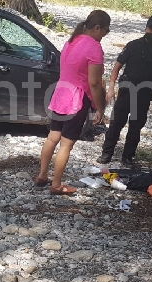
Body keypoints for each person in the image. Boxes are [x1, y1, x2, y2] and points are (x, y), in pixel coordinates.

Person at [35, 10, 110, 195]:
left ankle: (42, 176)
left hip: (60, 93)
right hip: (77, 98)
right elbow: (93, 82)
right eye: (105, 32)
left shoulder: (71, 41)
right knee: (66, 144)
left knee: (52, 137)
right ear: (97, 28)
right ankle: (57, 184)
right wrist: (99, 108)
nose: (104, 36)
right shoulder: (93, 47)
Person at [97, 16, 152, 167]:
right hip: (126, 90)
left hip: (145, 92)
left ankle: (128, 157)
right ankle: (106, 154)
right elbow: (117, 66)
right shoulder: (133, 45)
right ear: (146, 28)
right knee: (116, 122)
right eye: (151, 28)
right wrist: (111, 88)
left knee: (136, 125)